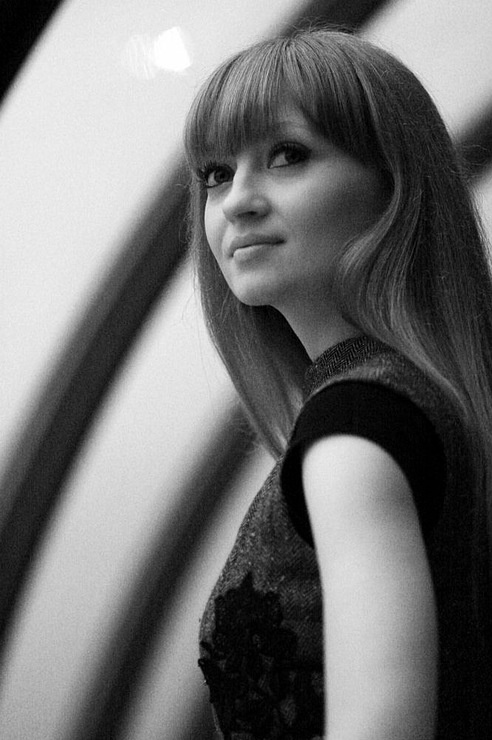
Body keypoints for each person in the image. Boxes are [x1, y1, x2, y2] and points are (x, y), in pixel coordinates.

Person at [183, 28, 492, 739]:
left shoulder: (354, 430)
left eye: (287, 156)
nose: (237, 201)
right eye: (217, 173)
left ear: (394, 186)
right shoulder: (424, 401)